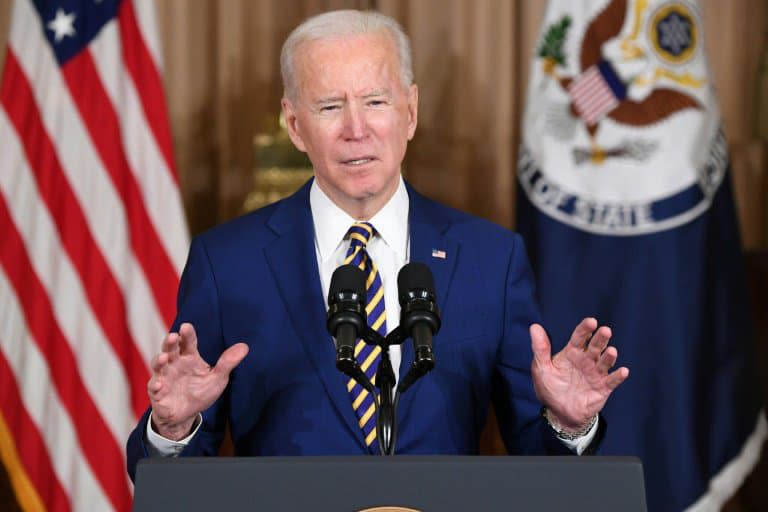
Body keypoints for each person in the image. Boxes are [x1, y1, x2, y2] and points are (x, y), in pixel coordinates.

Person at [126, 9, 629, 480]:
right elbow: (174, 481)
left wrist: (568, 425)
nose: (356, 129)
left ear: (409, 112)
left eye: (375, 102)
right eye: (329, 106)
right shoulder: (227, 263)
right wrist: (172, 430)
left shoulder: (490, 260)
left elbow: (538, 461)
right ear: (295, 125)